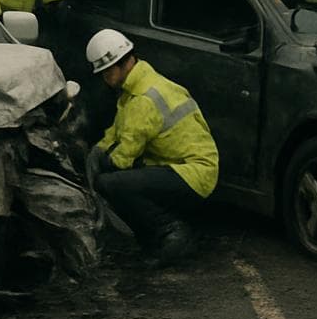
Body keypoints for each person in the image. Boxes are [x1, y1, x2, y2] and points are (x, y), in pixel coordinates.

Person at [84, 29, 219, 262]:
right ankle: (155, 236)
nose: (105, 78)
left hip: (193, 173)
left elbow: (122, 159)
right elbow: (117, 133)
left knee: (112, 183)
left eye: (106, 72)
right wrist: (99, 148)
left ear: (122, 63)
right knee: (122, 181)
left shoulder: (143, 100)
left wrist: (97, 163)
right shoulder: (140, 87)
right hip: (189, 168)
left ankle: (172, 232)